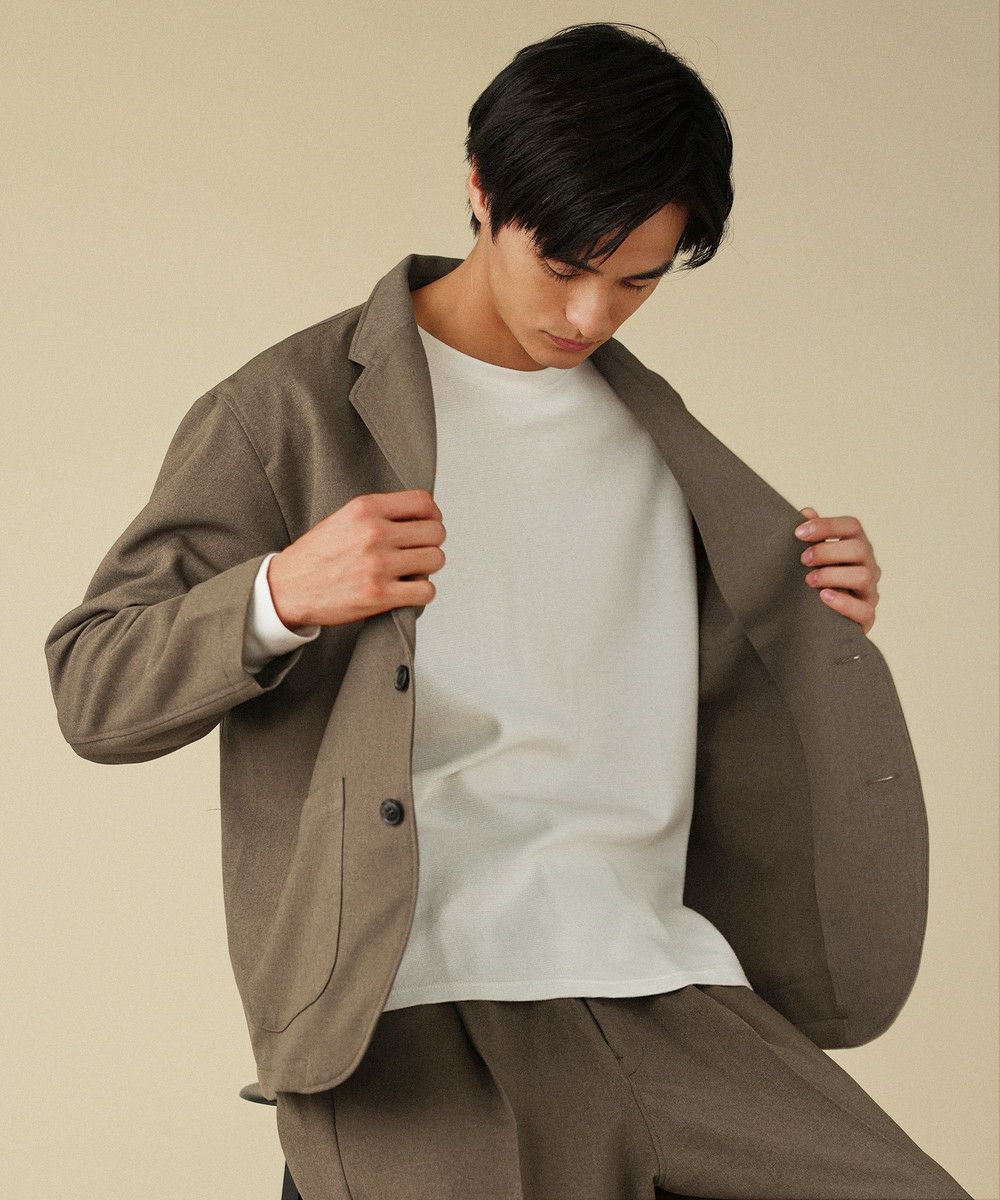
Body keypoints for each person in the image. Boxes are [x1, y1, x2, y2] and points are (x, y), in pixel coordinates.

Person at [46, 21, 973, 1200]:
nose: (588, 315)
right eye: (565, 264)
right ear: (482, 190)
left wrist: (811, 611)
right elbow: (95, 685)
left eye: (637, 280)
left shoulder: (658, 438)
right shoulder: (291, 411)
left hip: (660, 980)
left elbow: (703, 680)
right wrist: (281, 594)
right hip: (415, 998)